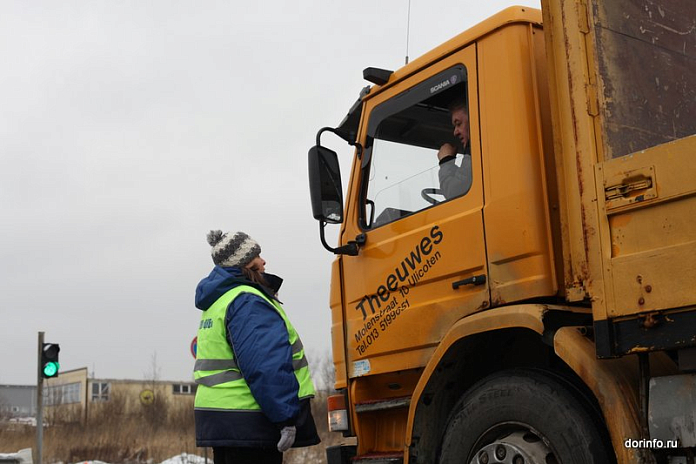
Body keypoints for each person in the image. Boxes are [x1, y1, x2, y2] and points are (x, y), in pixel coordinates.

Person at [193, 230, 320, 464]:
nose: (264, 261)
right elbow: (265, 365)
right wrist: (285, 418)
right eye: (258, 256)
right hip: (250, 424)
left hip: (228, 423)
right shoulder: (248, 300)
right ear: (245, 264)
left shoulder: (219, 301)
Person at [436, 100, 472, 200]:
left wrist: (446, 161)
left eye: (458, 124)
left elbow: (455, 192)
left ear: (474, 119)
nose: (455, 132)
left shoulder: (476, 153)